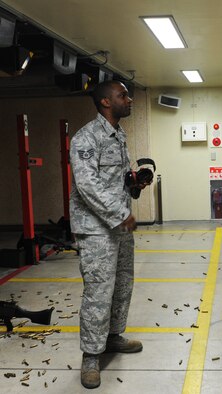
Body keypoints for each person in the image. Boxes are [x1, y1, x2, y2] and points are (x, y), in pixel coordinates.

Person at [70, 80, 148, 389]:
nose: (129, 100)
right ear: (105, 102)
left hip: (119, 227)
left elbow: (113, 181)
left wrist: (134, 186)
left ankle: (113, 337)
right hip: (96, 230)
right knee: (98, 291)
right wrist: (120, 214)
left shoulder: (118, 135)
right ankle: (91, 356)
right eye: (122, 95)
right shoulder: (86, 138)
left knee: (122, 284)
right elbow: (88, 186)